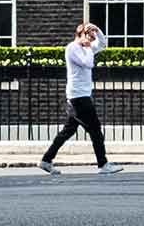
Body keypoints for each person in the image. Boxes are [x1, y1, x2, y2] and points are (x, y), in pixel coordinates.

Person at [39, 23, 124, 176]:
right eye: (90, 36)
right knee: (96, 130)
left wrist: (97, 30)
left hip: (80, 96)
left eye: (93, 37)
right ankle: (103, 164)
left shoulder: (87, 48)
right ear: (82, 35)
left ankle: (46, 160)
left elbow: (103, 44)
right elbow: (88, 64)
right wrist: (87, 48)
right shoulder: (72, 48)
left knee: (68, 131)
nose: (92, 40)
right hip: (78, 97)